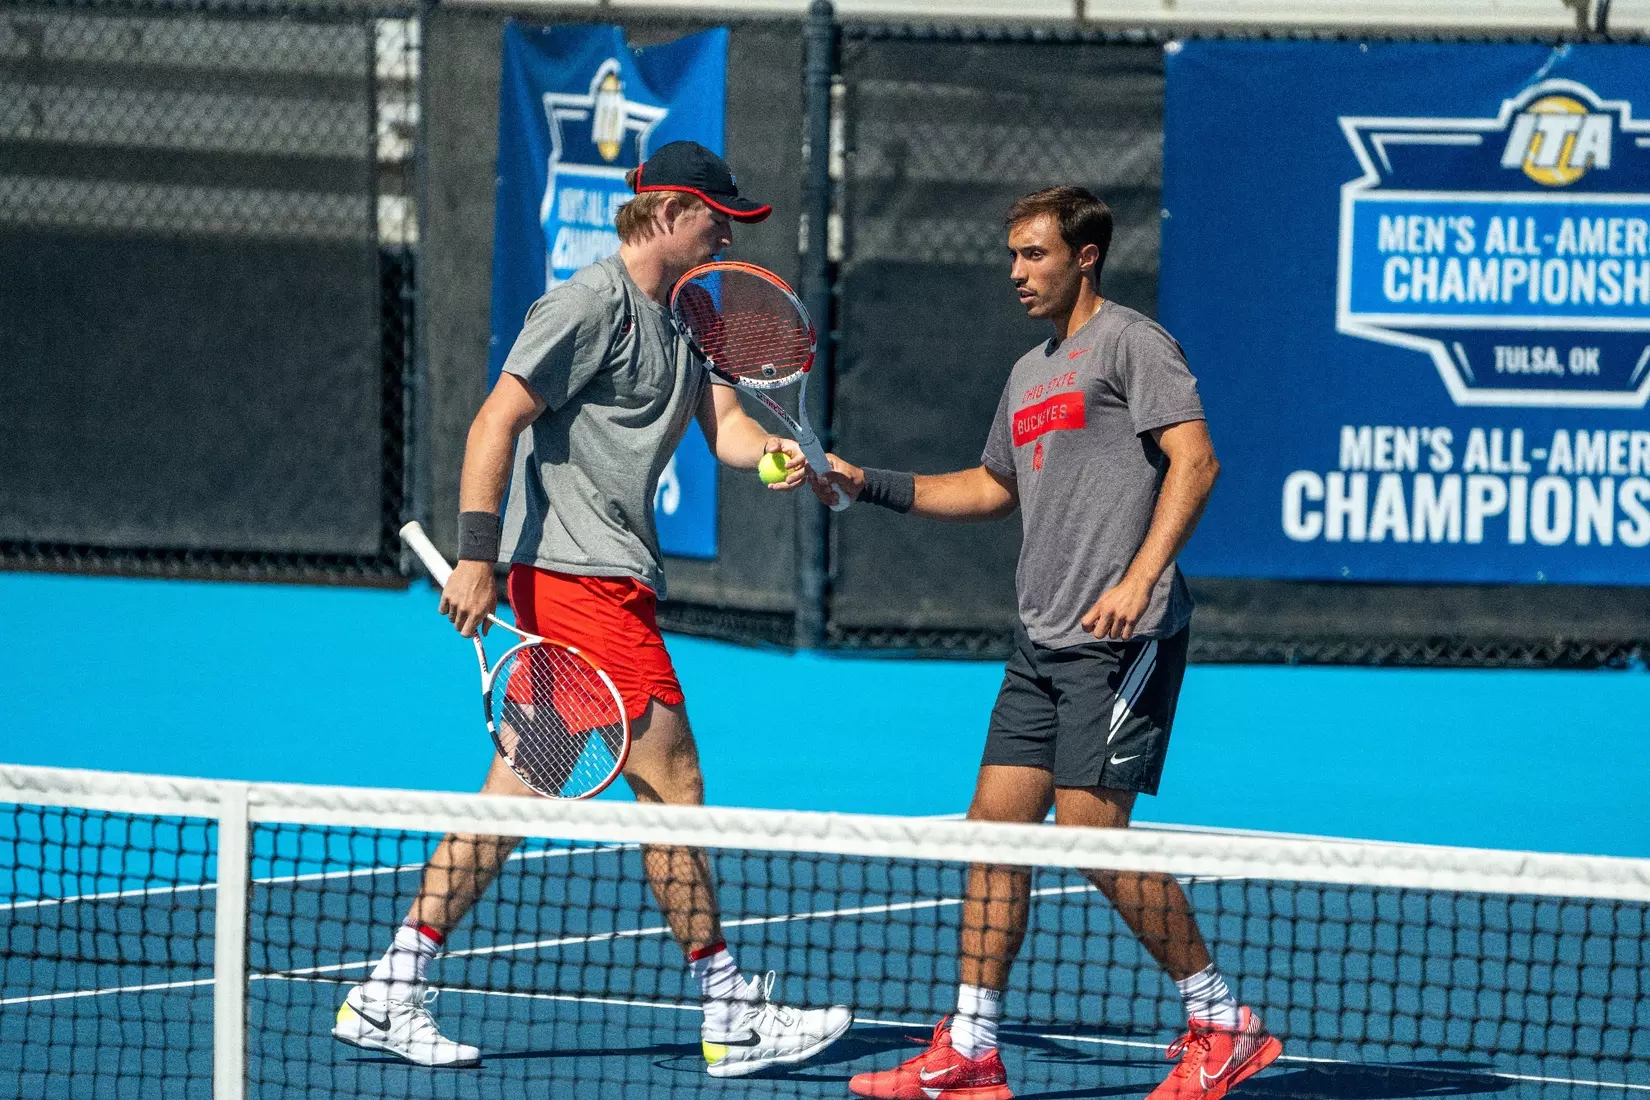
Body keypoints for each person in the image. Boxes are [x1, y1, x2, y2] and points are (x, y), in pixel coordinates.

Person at [331, 141, 851, 1078]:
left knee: (520, 791)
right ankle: (729, 1013)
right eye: (717, 214)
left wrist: (772, 457)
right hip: (573, 579)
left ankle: (387, 989)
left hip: (608, 578)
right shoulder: (587, 304)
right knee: (675, 782)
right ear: (671, 209)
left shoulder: (696, 315)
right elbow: (497, 419)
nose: (730, 231)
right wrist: (477, 560)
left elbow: (727, 430)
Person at [829, 186, 1282, 1100]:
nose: (1015, 272)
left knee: (1091, 831)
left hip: (1126, 636)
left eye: (1032, 254)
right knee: (993, 830)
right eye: (1011, 255)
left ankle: (1223, 1021)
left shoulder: (1131, 343)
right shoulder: (1030, 372)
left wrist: (1141, 576)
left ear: (1085, 256)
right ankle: (971, 1047)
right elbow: (991, 486)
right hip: (1040, 643)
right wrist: (863, 482)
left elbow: (1198, 461)